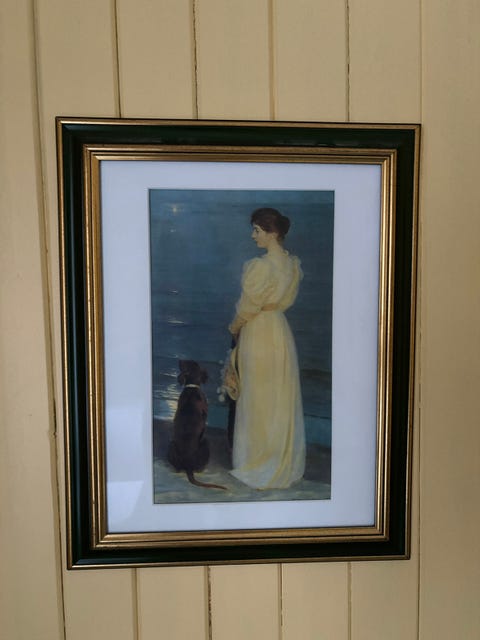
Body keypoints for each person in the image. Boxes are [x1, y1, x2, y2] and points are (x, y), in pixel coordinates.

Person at [228, 207, 305, 489]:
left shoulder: (260, 266)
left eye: (257, 230)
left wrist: (234, 326)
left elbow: (248, 306)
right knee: (276, 396)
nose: (253, 236)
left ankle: (256, 461)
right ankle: (278, 460)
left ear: (273, 233)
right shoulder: (291, 265)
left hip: (259, 329)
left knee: (258, 396)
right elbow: (285, 300)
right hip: (280, 330)